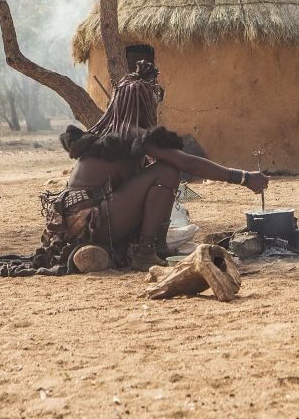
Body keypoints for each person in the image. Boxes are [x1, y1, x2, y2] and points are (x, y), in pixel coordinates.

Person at [44, 60, 270, 272]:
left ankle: (142, 248)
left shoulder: (109, 130)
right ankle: (146, 251)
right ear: (143, 103)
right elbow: (186, 162)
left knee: (159, 173)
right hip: (91, 220)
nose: (156, 105)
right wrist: (244, 178)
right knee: (167, 171)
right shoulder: (131, 133)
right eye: (153, 99)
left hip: (75, 225)